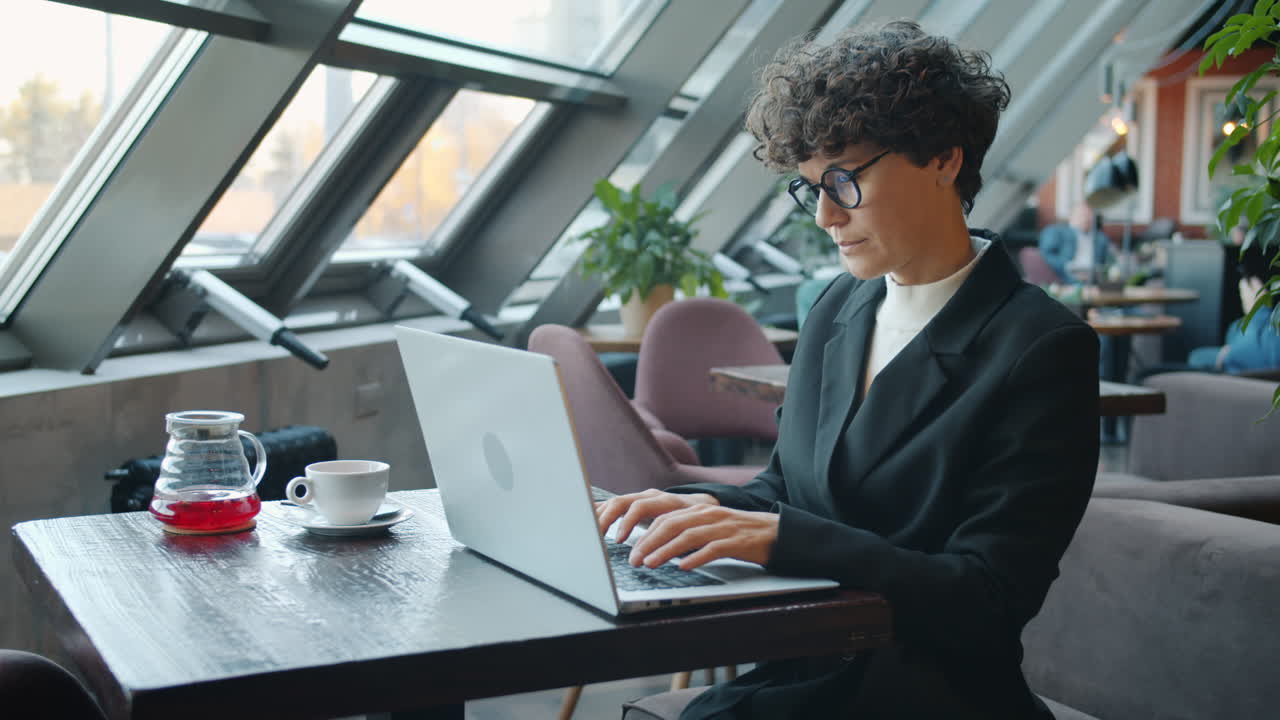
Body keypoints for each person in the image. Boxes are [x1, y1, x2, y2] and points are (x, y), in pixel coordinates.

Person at [596, 20, 1100, 720]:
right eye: (811, 189)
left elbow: (987, 600)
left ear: (944, 159)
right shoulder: (839, 307)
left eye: (844, 180)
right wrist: (698, 506)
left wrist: (784, 537)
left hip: (930, 691)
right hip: (801, 667)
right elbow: (788, 488)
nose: (827, 216)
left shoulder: (1041, 347)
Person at [1187, 241, 1280, 373]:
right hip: (1257, 345)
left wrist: (1258, 309)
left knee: (1198, 357)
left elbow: (1272, 359)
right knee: (1230, 334)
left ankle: (1231, 365)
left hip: (1259, 365)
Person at [1038, 201, 1113, 284]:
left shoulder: (1101, 238)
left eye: (1089, 215)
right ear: (1071, 216)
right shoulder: (1056, 231)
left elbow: (1109, 261)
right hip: (1069, 276)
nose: (1086, 218)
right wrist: (1068, 267)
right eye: (1082, 215)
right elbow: (1047, 253)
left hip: (1094, 278)